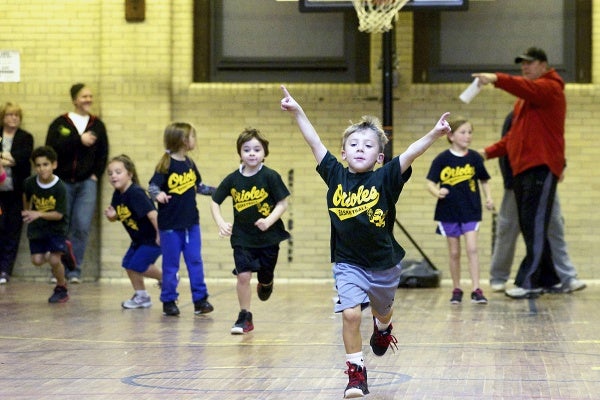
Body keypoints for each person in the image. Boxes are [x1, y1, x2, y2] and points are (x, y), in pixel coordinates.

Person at [280, 85, 451, 398]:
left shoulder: (385, 177)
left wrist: (435, 134)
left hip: (384, 265)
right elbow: (314, 141)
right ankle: (356, 374)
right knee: (351, 314)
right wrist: (297, 110)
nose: (360, 148)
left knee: (381, 312)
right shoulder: (334, 174)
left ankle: (383, 328)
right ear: (343, 153)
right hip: (347, 263)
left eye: (368, 145)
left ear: (379, 156)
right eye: (353, 144)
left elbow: (412, 152)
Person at [473, 46, 563, 299]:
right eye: (522, 64)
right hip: (523, 170)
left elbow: (527, 87)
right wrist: (485, 152)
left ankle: (530, 281)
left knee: (533, 225)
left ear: (544, 66)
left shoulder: (551, 88)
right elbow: (512, 138)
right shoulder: (525, 102)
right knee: (532, 226)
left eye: (530, 63)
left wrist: (495, 78)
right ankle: (550, 278)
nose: (525, 67)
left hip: (541, 167)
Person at [489, 112, 585, 294]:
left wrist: (560, 166)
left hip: (544, 181)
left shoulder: (546, 116)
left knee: (555, 225)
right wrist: (510, 181)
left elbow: (555, 143)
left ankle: (568, 276)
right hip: (517, 183)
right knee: (508, 228)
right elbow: (507, 147)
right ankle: (499, 276)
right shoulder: (515, 117)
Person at [210, 128, 290, 334]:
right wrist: (220, 222)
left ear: (264, 152)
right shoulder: (232, 179)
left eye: (257, 149)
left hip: (268, 237)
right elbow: (214, 201)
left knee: (264, 276)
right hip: (242, 238)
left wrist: (269, 220)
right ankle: (244, 316)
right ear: (240, 153)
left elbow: (283, 202)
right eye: (247, 149)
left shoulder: (270, 176)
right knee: (243, 276)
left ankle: (266, 282)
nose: (252, 153)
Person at [148, 122, 216, 317]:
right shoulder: (165, 165)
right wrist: (158, 195)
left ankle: (200, 300)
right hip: (170, 226)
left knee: (195, 261)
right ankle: (168, 300)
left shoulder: (189, 163)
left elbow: (199, 186)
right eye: (192, 137)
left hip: (191, 223)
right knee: (171, 265)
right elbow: (152, 187)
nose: (195, 140)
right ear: (184, 140)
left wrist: (220, 191)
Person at [426, 117, 493, 305]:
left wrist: (489, 197)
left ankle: (476, 289)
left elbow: (484, 180)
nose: (467, 136)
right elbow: (430, 182)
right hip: (448, 211)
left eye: (470, 132)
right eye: (463, 132)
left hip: (471, 210)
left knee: (472, 248)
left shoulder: (474, 158)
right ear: (451, 135)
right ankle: (456, 288)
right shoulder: (442, 159)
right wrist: (436, 192)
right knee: (454, 252)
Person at [46, 83, 109, 283]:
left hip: (87, 184)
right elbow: (52, 147)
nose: (88, 99)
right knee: (60, 225)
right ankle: (58, 270)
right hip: (63, 182)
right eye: (84, 96)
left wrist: (95, 175)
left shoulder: (97, 125)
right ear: (75, 100)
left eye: (90, 96)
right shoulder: (60, 123)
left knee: (81, 225)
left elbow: (103, 153)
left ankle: (75, 270)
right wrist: (78, 140)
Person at [104, 154, 163, 309]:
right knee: (129, 265)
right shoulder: (118, 195)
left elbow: (153, 215)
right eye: (110, 173)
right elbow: (121, 214)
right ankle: (142, 297)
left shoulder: (136, 193)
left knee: (138, 265)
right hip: (138, 239)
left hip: (152, 238)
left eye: (118, 172)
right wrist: (112, 216)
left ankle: (167, 278)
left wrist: (160, 235)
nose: (113, 176)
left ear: (129, 174)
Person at [21, 146, 70, 303]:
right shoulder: (29, 183)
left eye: (46, 164)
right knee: (37, 261)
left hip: (56, 227)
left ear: (54, 165)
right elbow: (26, 198)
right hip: (38, 228)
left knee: (55, 261)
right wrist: (27, 212)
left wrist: (38, 213)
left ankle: (61, 288)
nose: (42, 169)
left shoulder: (60, 187)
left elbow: (59, 214)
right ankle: (63, 251)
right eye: (38, 165)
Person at [0, 102, 34, 284]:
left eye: (17, 115)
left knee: (12, 229)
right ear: (3, 117)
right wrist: (8, 160)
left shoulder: (25, 137)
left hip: (16, 192)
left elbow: (21, 158)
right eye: (10, 115)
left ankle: (5, 270)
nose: (14, 118)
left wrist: (4, 159)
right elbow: (10, 160)